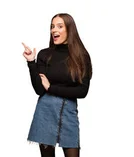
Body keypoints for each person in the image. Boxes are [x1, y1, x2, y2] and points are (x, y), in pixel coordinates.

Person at [23, 13, 92, 157]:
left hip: (69, 113)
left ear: (69, 29)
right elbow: (39, 89)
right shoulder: (44, 54)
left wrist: (52, 88)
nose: (54, 30)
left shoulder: (81, 56)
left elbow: (82, 91)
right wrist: (31, 63)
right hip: (45, 112)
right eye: (52, 26)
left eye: (60, 26)